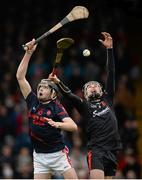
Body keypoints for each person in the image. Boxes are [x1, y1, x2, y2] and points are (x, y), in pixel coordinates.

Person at [49, 32, 122, 179]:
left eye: (96, 85)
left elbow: (111, 72)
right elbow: (69, 94)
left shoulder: (108, 99)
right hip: (96, 152)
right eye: (89, 86)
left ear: (102, 90)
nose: (93, 87)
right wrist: (58, 82)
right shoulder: (84, 106)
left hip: (113, 151)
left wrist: (110, 49)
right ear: (85, 93)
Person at [16, 39, 78, 179]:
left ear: (53, 93)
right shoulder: (32, 100)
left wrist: (57, 124)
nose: (40, 89)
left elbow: (73, 127)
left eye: (44, 87)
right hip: (39, 156)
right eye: (39, 87)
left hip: (58, 154)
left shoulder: (56, 107)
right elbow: (20, 77)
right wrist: (29, 53)